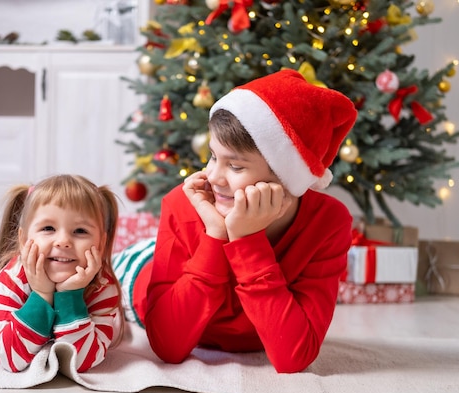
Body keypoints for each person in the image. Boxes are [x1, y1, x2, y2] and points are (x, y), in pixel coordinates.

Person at [114, 68, 357, 373]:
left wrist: (246, 240)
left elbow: (294, 358)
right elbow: (168, 347)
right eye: (213, 156)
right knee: (104, 275)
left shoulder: (328, 222)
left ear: (286, 180)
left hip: (210, 263)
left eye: (236, 166)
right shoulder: (184, 202)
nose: (213, 177)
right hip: (138, 273)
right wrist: (215, 234)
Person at [0, 174, 123, 373]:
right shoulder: (13, 278)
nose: (63, 241)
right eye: (48, 228)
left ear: (101, 243)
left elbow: (81, 361)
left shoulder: (102, 284)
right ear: (24, 238)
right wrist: (42, 296)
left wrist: (70, 296)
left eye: (80, 231)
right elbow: (10, 358)